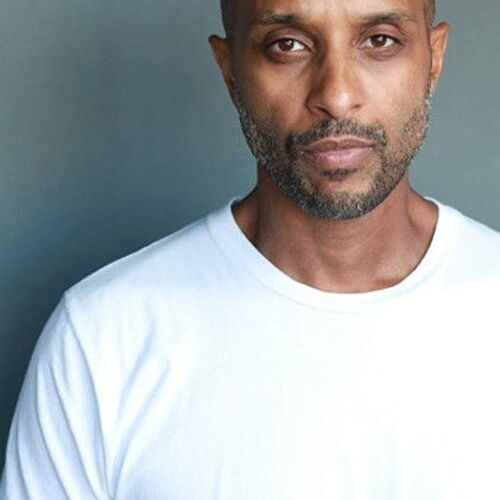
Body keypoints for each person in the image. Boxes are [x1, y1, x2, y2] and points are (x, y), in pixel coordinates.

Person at [2, 0, 500, 497]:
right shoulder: (103, 336)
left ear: (434, 59)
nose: (337, 95)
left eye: (379, 41)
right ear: (231, 71)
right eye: (288, 45)